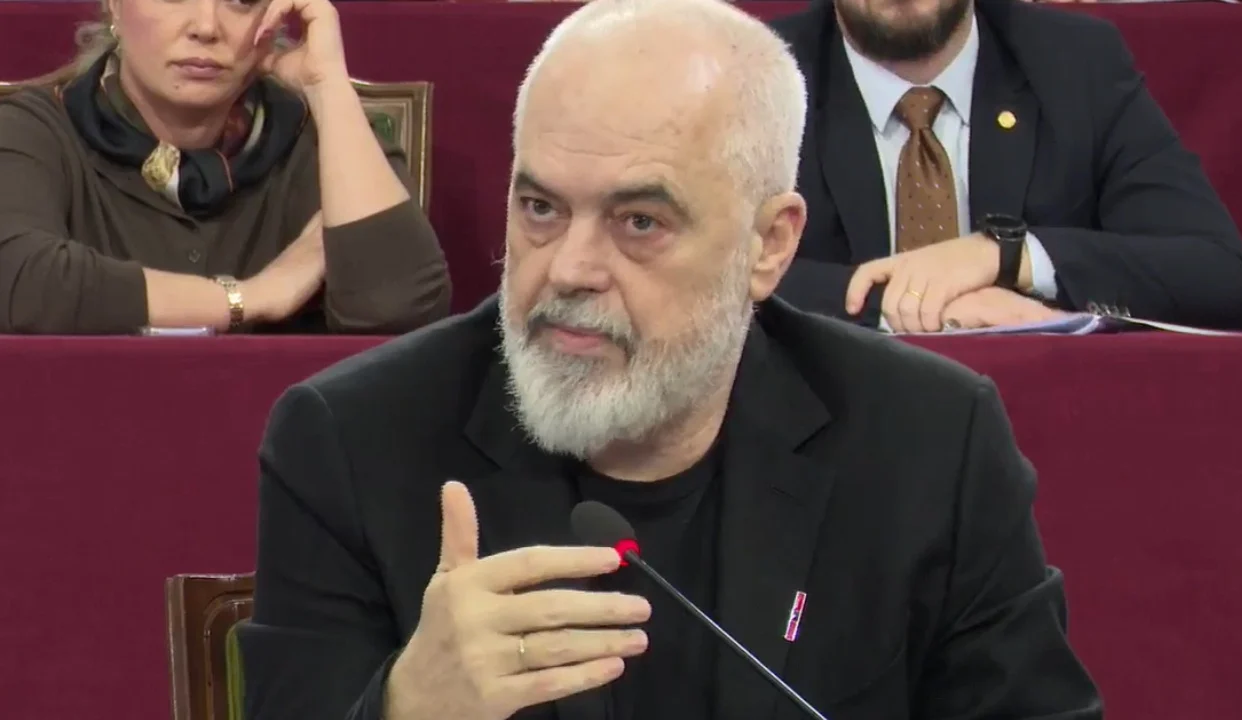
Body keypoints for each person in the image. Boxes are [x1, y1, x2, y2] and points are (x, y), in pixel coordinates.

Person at [240, 0, 1101, 718]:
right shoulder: (353, 440)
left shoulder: (928, 441)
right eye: (540, 209)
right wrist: (407, 709)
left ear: (769, 245)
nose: (569, 269)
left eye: (639, 222)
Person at [771, 0, 1242, 333]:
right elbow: (730, 273)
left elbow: (1217, 276)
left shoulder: (1076, 64)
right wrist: (919, 302)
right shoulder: (765, 73)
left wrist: (1006, 255)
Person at [0, 0, 450, 334]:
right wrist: (253, 296)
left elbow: (402, 309)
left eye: (241, 0)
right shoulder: (32, 128)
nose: (206, 27)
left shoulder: (321, 140)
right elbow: (19, 281)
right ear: (113, 5)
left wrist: (326, 85)